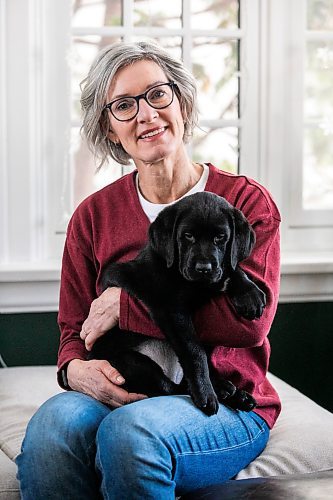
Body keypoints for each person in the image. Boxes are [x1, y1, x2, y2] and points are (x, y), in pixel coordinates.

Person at [16, 40, 281, 499]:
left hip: (229, 402)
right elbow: (72, 329)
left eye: (158, 94)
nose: (146, 114)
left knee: (131, 433)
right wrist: (74, 371)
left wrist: (129, 307)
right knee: (51, 430)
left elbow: (249, 323)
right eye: (124, 105)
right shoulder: (93, 216)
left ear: (182, 101)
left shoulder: (245, 203)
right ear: (109, 129)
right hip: (130, 377)